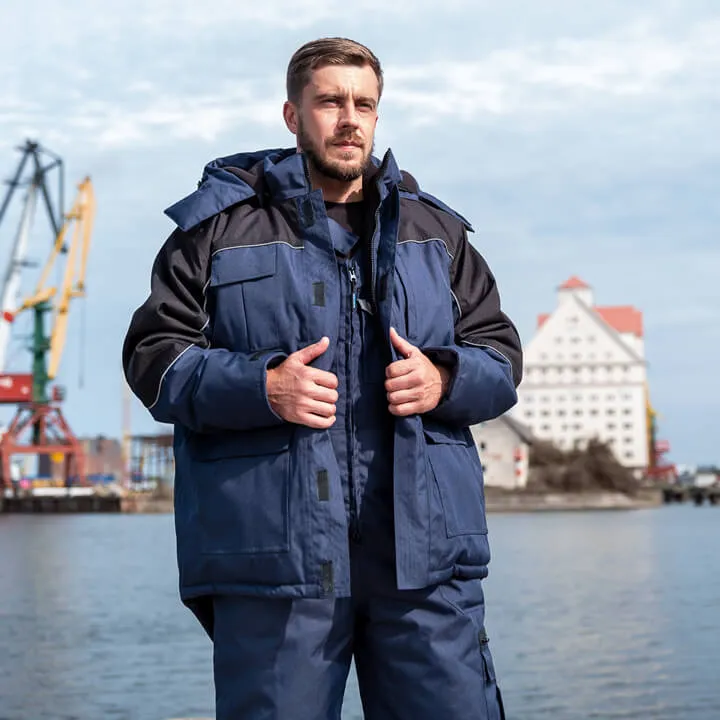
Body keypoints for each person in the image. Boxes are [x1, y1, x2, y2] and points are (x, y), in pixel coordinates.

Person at [123, 37, 522, 720]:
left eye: (364, 104)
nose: (349, 119)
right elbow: (154, 359)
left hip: (425, 564)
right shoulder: (215, 231)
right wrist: (261, 387)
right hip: (278, 568)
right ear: (292, 114)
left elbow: (501, 356)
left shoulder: (439, 233)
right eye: (331, 102)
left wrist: (444, 378)